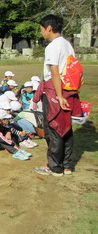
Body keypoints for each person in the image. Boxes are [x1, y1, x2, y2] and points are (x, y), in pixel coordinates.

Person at [34, 14, 82, 177]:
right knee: (66, 127)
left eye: (41, 29)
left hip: (56, 90)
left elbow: (54, 72)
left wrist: (59, 96)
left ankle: (54, 166)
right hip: (68, 89)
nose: (41, 32)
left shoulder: (53, 46)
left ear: (49, 28)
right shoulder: (67, 44)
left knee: (53, 127)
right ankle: (67, 165)